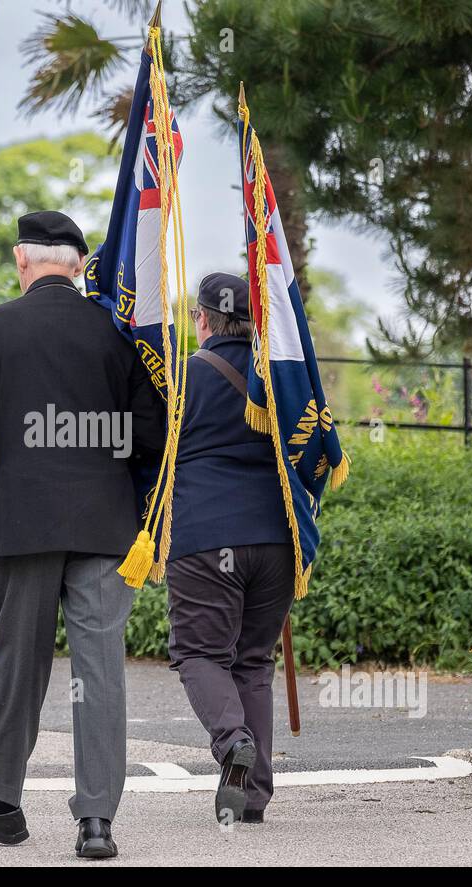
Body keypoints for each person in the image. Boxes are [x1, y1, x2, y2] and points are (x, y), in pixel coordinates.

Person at [0, 210, 163, 859]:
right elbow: (149, 439)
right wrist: (147, 519)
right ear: (80, 264)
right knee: (100, 673)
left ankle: (2, 802)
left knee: (17, 667)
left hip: (21, 525)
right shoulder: (121, 337)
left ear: (21, 260)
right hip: (107, 527)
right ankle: (97, 822)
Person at [165, 272, 296, 825]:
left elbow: (154, 454)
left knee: (199, 654)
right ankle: (252, 795)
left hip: (204, 538)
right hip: (276, 541)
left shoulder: (183, 377)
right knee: (252, 663)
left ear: (202, 319)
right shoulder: (284, 378)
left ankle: (231, 740)